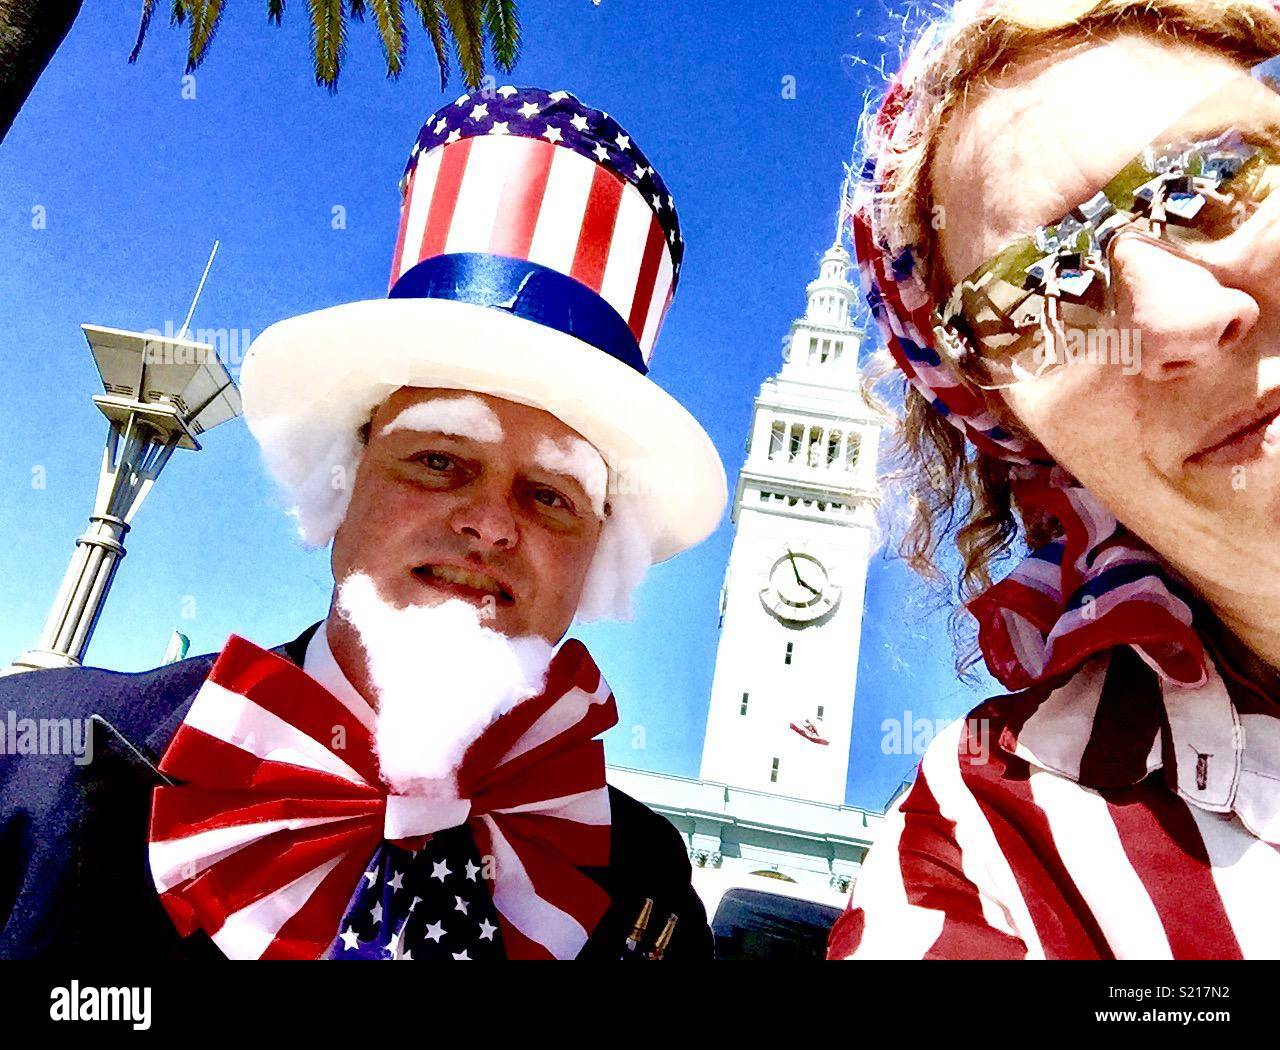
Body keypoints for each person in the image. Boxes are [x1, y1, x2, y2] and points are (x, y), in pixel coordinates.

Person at [0, 85, 727, 961]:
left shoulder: (644, 887)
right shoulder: (34, 767)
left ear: (598, 558)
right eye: (438, 460)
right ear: (341, 483)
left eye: (550, 496)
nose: (492, 526)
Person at [829, 0, 1280, 959]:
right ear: (1026, 441)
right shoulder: (996, 858)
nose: (1174, 318)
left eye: (1215, 171)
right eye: (1038, 288)